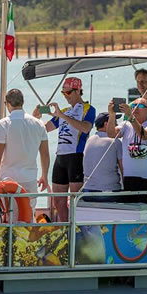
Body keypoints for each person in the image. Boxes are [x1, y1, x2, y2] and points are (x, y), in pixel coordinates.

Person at [33, 76, 95, 222]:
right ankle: (64, 230)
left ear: (78, 91)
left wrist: (62, 116)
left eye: (68, 93)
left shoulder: (88, 109)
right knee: (58, 201)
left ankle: (76, 231)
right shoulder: (64, 111)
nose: (66, 97)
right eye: (63, 94)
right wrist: (35, 118)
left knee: (75, 201)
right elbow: (44, 129)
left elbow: (85, 128)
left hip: (76, 156)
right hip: (61, 157)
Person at [0, 89, 50, 195]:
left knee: (8, 211)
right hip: (29, 178)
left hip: (7, 178)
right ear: (23, 102)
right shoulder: (39, 124)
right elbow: (45, 154)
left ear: (7, 103)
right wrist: (44, 176)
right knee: (29, 211)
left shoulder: (4, 124)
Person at [107, 97, 147, 204]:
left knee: (144, 211)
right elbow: (111, 134)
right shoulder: (126, 124)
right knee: (130, 211)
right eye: (133, 106)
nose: (135, 108)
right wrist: (111, 115)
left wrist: (130, 116)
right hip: (129, 176)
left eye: (140, 106)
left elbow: (144, 135)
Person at [81, 112, 123, 201]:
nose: (117, 125)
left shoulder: (89, 140)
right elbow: (123, 167)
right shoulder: (115, 141)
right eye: (114, 123)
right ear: (106, 124)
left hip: (87, 192)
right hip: (108, 192)